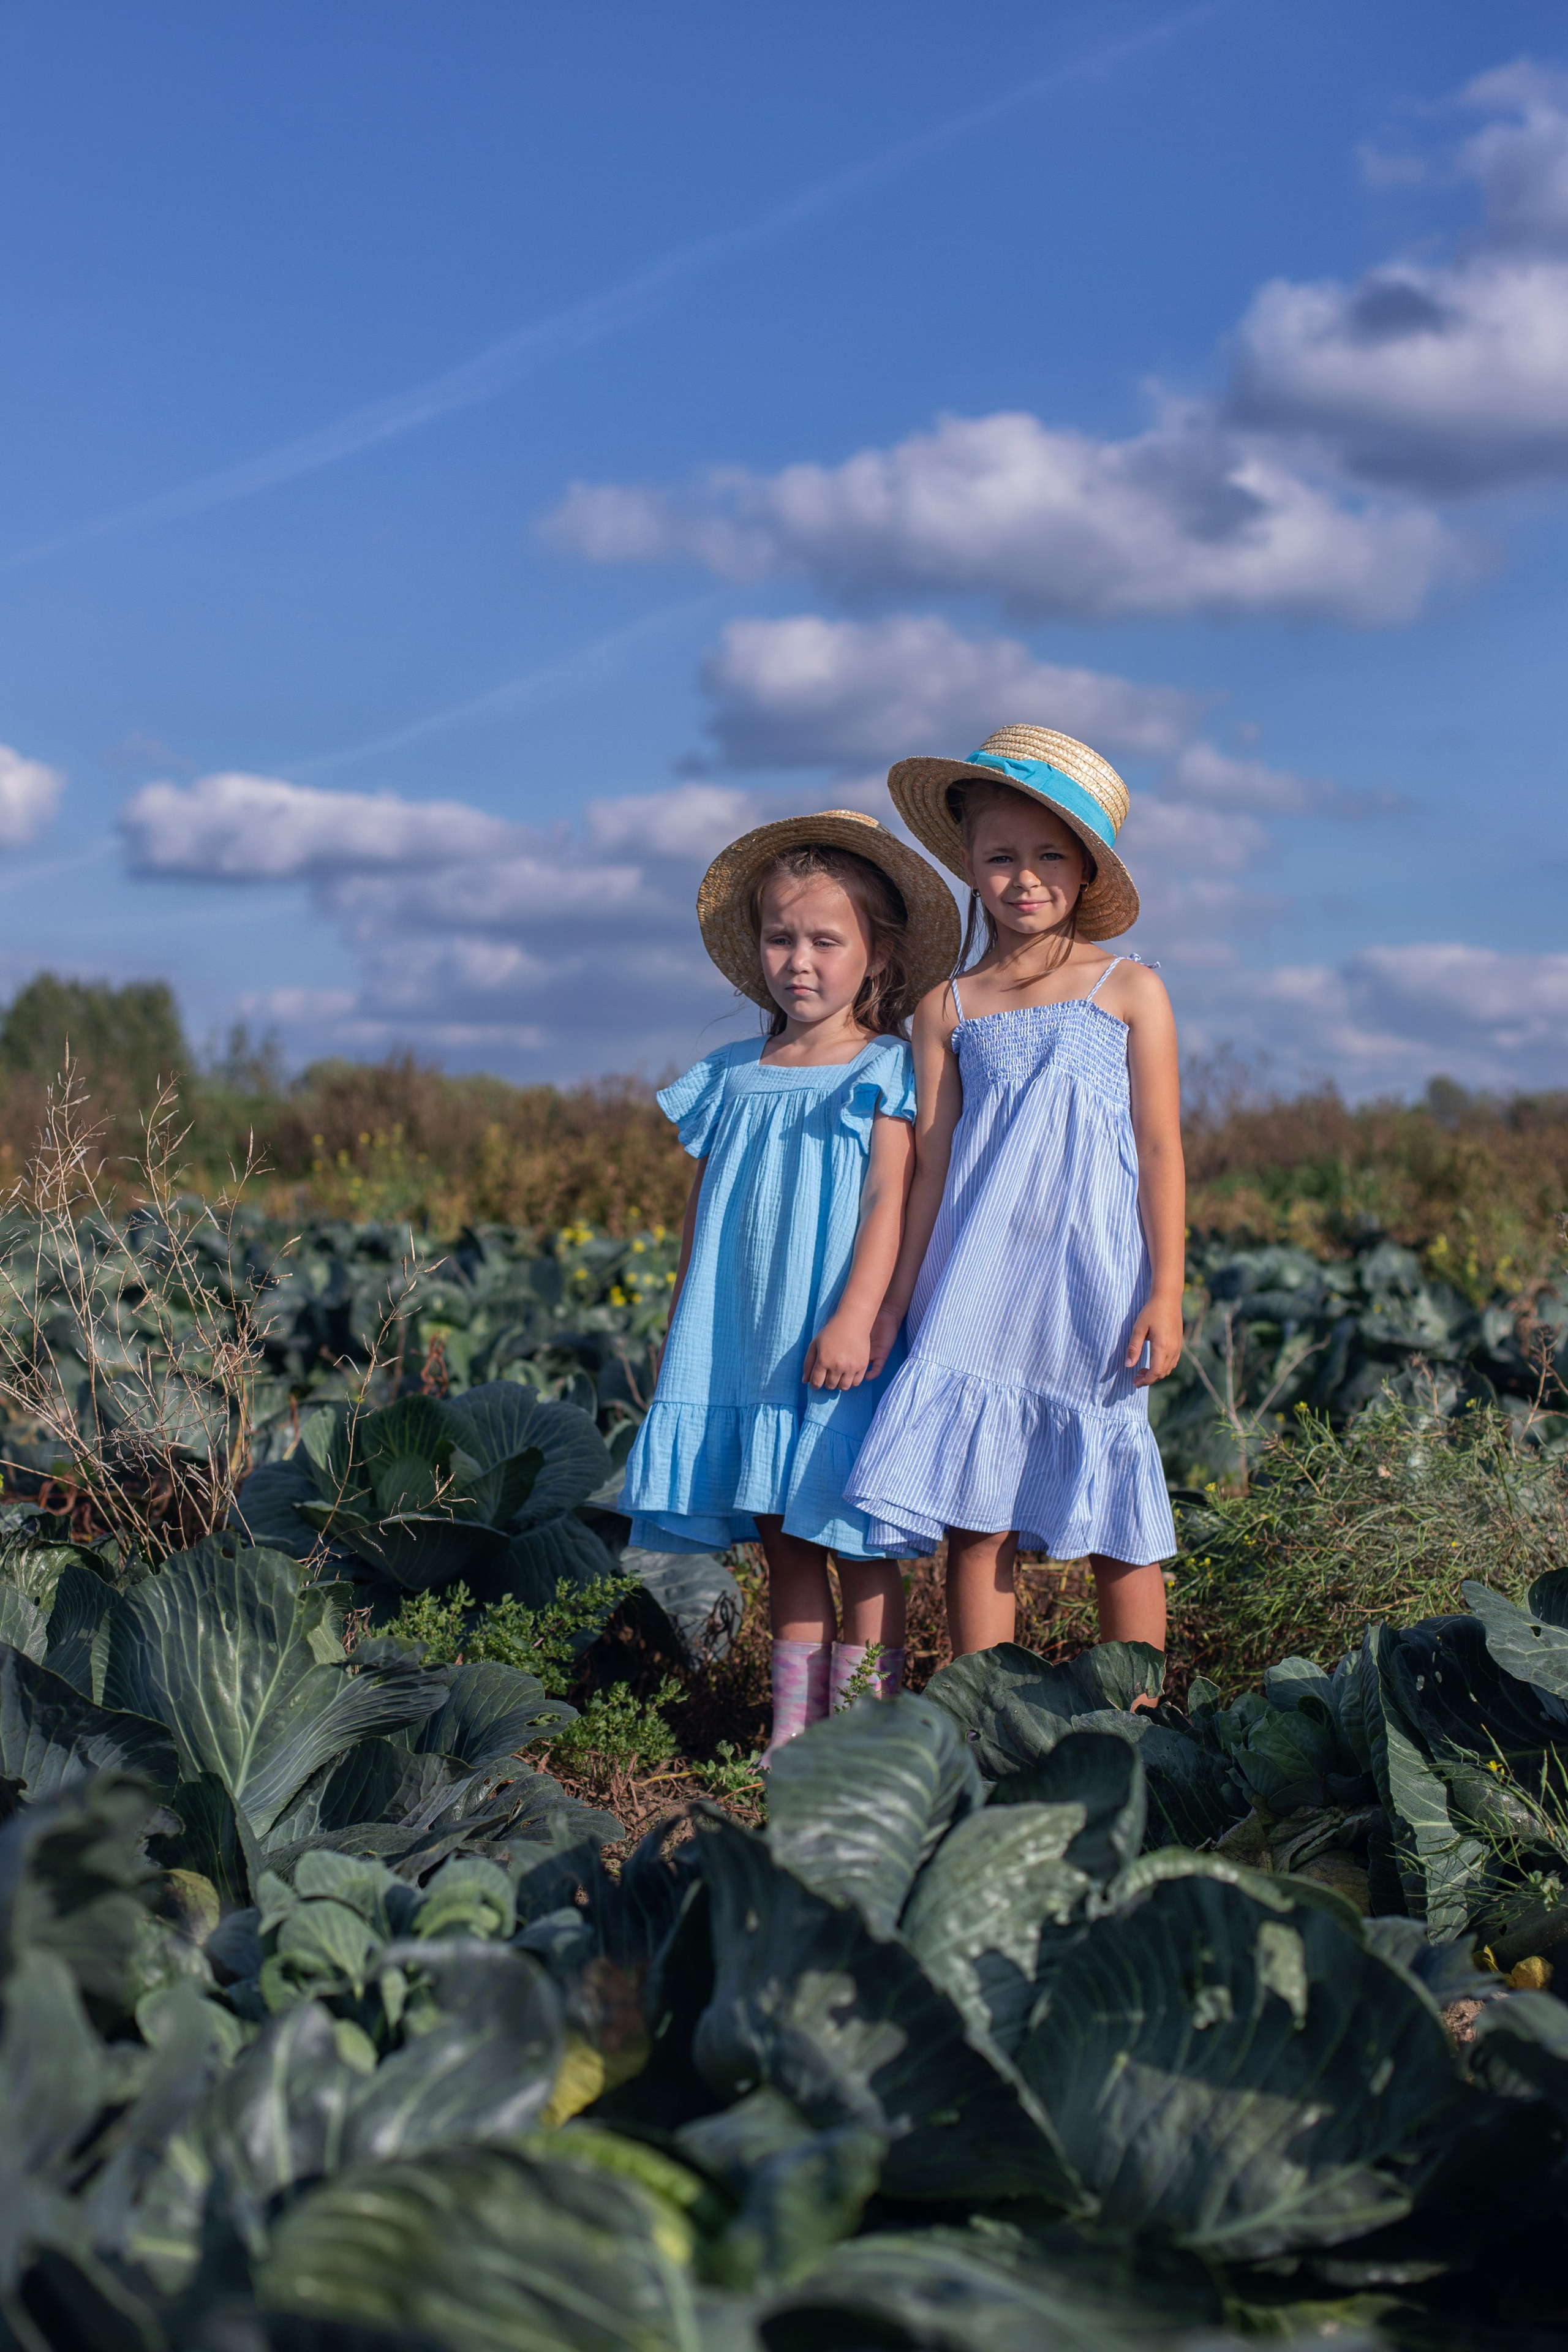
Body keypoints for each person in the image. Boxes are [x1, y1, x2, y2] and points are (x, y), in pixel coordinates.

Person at [622, 809, 962, 1754]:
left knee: (856, 1547)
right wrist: (680, 1323)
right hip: (748, 1345)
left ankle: (868, 1737)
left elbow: (891, 1201)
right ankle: (794, 1735)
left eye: (825, 940)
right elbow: (703, 1218)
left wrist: (859, 1317)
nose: (799, 961)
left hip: (839, 1343)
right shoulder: (731, 1074)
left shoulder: (885, 1068)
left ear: (878, 958)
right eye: (781, 938)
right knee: (785, 1550)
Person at [844, 725, 1182, 1663]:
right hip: (977, 1283)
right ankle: (981, 1723)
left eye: (1048, 857)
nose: (1024, 878)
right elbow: (934, 1167)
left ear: (1083, 870)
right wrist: (896, 1302)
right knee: (974, 1512)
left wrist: (1167, 1289)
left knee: (1118, 1520)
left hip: (1094, 1281)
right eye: (1001, 856)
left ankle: (1143, 1726)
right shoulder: (945, 1007)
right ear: (968, 860)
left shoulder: (1130, 989)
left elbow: (1160, 1150)